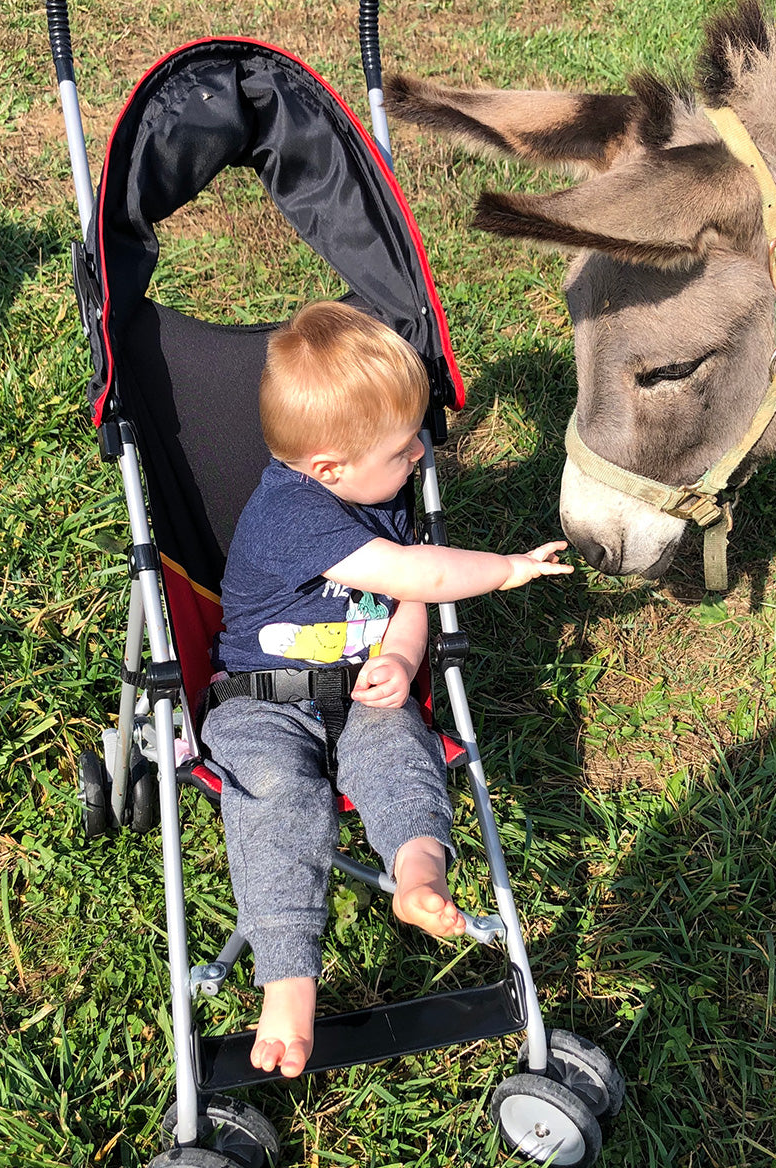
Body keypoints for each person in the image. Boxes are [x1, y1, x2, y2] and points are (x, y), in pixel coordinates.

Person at [202, 300, 572, 1079]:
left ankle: (416, 871)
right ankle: (288, 979)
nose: (421, 456)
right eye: (404, 449)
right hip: (262, 704)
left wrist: (404, 662)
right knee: (276, 796)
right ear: (330, 465)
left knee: (399, 750)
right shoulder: (294, 513)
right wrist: (505, 570)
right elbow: (422, 576)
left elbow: (410, 605)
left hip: (366, 691)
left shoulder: (379, 493)